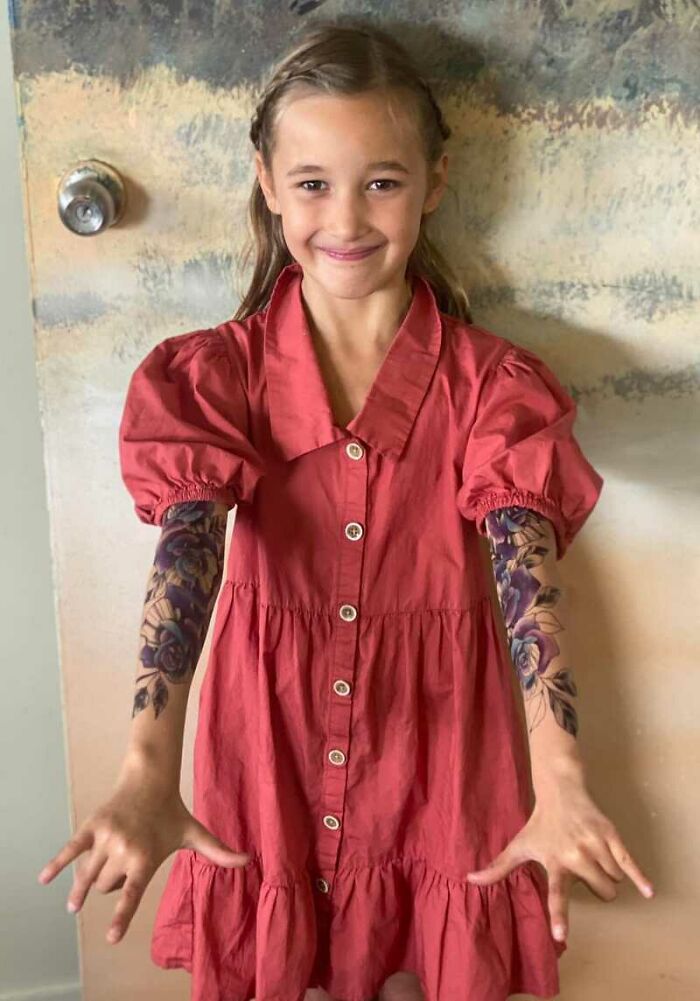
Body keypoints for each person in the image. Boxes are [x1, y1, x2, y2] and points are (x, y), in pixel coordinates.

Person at [36, 21, 655, 1001]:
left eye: (383, 180)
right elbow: (183, 562)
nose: (347, 215)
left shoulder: (495, 387)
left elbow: (524, 574)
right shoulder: (214, 379)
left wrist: (560, 771)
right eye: (314, 181)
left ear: (434, 183)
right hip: (264, 746)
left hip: (440, 752)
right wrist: (148, 764)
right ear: (268, 181)